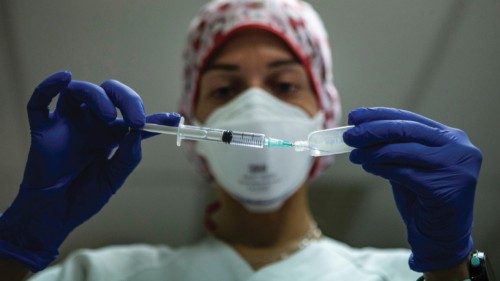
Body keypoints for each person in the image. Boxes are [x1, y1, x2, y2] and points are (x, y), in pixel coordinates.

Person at [0, 0, 483, 280]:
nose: (255, 108)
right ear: (193, 124)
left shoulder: (408, 274)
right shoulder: (98, 275)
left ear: (325, 113)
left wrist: (450, 268)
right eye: (226, 89)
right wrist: (14, 249)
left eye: (285, 85)